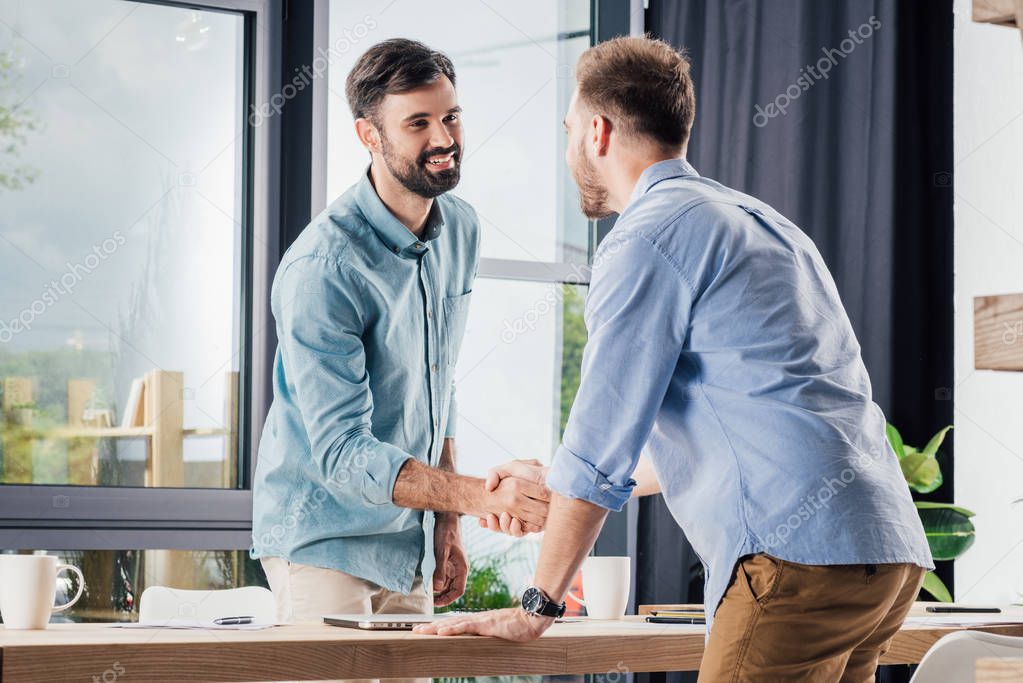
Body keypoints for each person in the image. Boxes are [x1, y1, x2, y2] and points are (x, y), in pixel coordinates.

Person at [417, 36, 933, 683]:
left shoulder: (647, 238)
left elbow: (600, 444)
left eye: (569, 127)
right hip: (881, 557)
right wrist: (554, 490)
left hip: (793, 560)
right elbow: (740, 431)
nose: (568, 144)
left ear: (598, 131)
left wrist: (535, 605)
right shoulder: (764, 225)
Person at [250, 39, 550, 654]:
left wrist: (447, 523)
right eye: (418, 123)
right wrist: (476, 495)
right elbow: (339, 452)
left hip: (404, 542)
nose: (444, 138)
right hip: (322, 540)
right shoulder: (322, 267)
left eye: (451, 116)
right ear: (369, 134)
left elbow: (438, 384)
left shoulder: (458, 228)